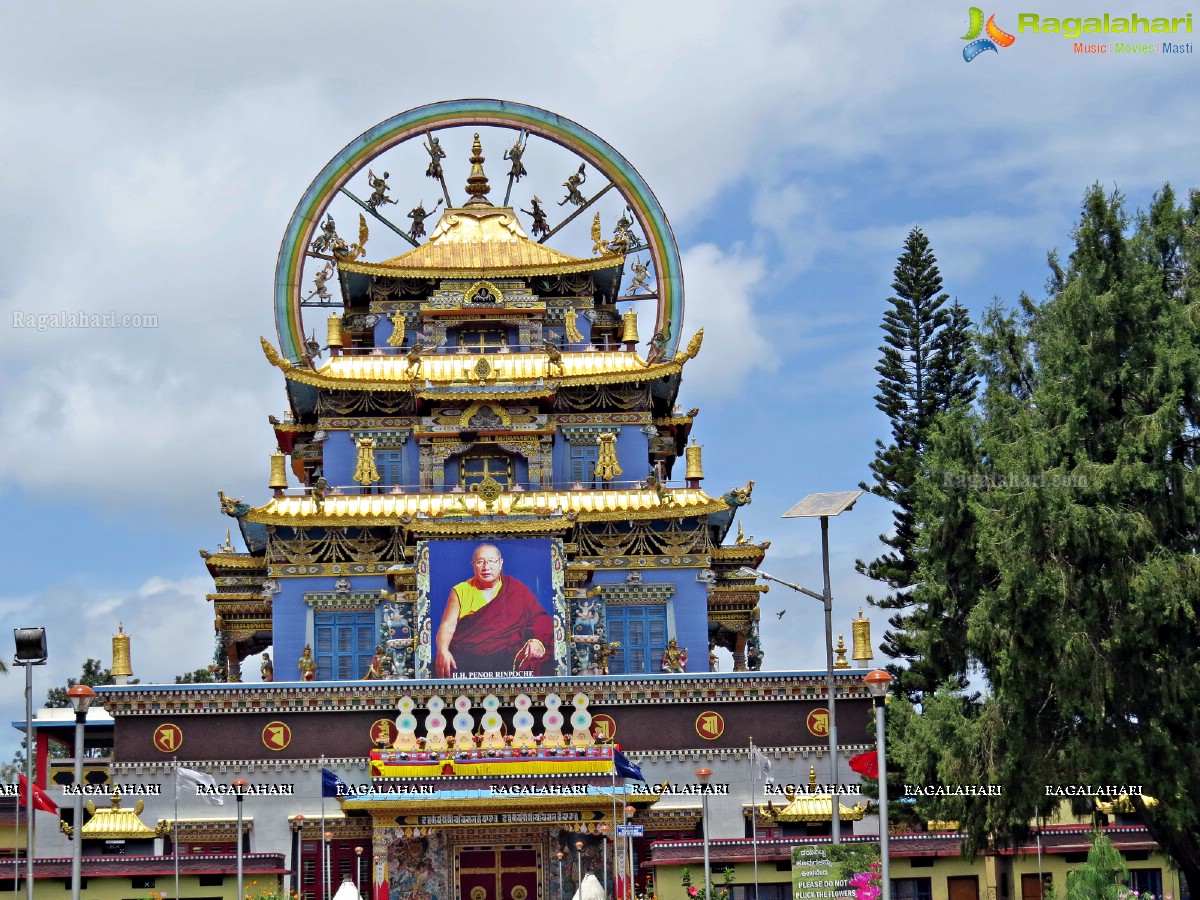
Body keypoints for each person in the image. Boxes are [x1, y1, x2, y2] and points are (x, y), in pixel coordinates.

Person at [434, 543, 552, 677]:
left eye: (491, 561)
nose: (486, 567)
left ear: (500, 563)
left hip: (506, 655)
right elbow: (447, 626)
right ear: (473, 564)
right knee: (442, 666)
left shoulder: (515, 588)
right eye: (480, 562)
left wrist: (535, 641)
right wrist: (443, 650)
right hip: (467, 656)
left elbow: (539, 618)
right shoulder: (460, 590)